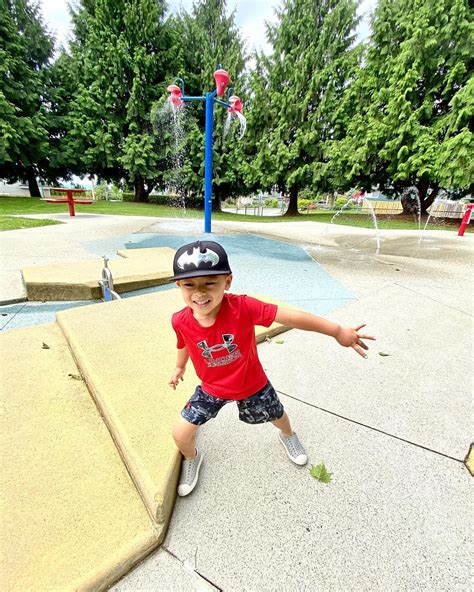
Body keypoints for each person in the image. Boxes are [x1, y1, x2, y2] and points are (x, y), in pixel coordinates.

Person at [168, 240, 375, 496]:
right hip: (211, 389)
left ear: (227, 281)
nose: (199, 293)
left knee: (278, 416)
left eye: (209, 283)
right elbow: (184, 342)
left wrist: (336, 331)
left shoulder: (243, 307)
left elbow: (291, 317)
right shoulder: (179, 320)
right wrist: (179, 367)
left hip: (252, 384)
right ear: (179, 285)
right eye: (189, 285)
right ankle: (193, 457)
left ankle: (288, 435)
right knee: (180, 433)